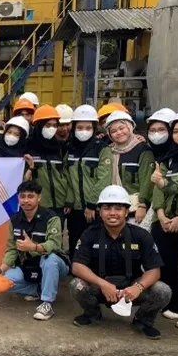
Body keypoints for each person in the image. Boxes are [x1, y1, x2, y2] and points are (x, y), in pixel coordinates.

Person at [70, 185, 171, 339]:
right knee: (76, 285)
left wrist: (138, 287)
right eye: (107, 208)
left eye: (118, 208)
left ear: (126, 211)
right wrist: (103, 284)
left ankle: (143, 320)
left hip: (131, 290)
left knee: (162, 290)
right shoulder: (90, 233)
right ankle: (92, 314)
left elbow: (154, 270)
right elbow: (77, 266)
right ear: (100, 212)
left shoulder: (141, 235)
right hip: (101, 288)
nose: (112, 213)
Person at [0, 181, 70, 320]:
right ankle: (38, 290)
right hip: (30, 265)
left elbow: (54, 244)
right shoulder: (15, 220)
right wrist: (1, 269)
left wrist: (33, 247)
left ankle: (47, 303)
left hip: (54, 264)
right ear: (18, 198)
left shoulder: (51, 217)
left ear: (39, 198)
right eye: (22, 196)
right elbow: (12, 248)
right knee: (3, 283)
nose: (26, 200)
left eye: (30, 196)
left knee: (51, 260)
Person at [150, 108, 178, 324]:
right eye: (176, 130)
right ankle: (166, 300)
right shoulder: (169, 157)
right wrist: (160, 214)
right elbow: (158, 189)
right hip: (164, 220)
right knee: (165, 262)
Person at [64, 105, 112, 254]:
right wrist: (69, 201)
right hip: (76, 209)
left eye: (87, 127)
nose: (83, 131)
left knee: (96, 244)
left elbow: (103, 178)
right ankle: (76, 273)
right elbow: (68, 177)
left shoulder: (102, 148)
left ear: (94, 127)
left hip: (95, 209)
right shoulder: (69, 148)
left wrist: (92, 205)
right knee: (75, 245)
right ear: (74, 127)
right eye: (79, 127)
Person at [105, 111, 154, 225]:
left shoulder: (143, 150)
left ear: (130, 127)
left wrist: (142, 205)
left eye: (122, 128)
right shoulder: (108, 151)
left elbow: (146, 180)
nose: (119, 133)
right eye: (113, 131)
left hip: (135, 210)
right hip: (114, 208)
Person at [26, 105, 69, 220]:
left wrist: (68, 200)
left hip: (59, 204)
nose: (52, 128)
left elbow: (67, 175)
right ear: (39, 125)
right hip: (37, 204)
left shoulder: (60, 147)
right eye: (48, 125)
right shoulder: (28, 146)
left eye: (55, 125)